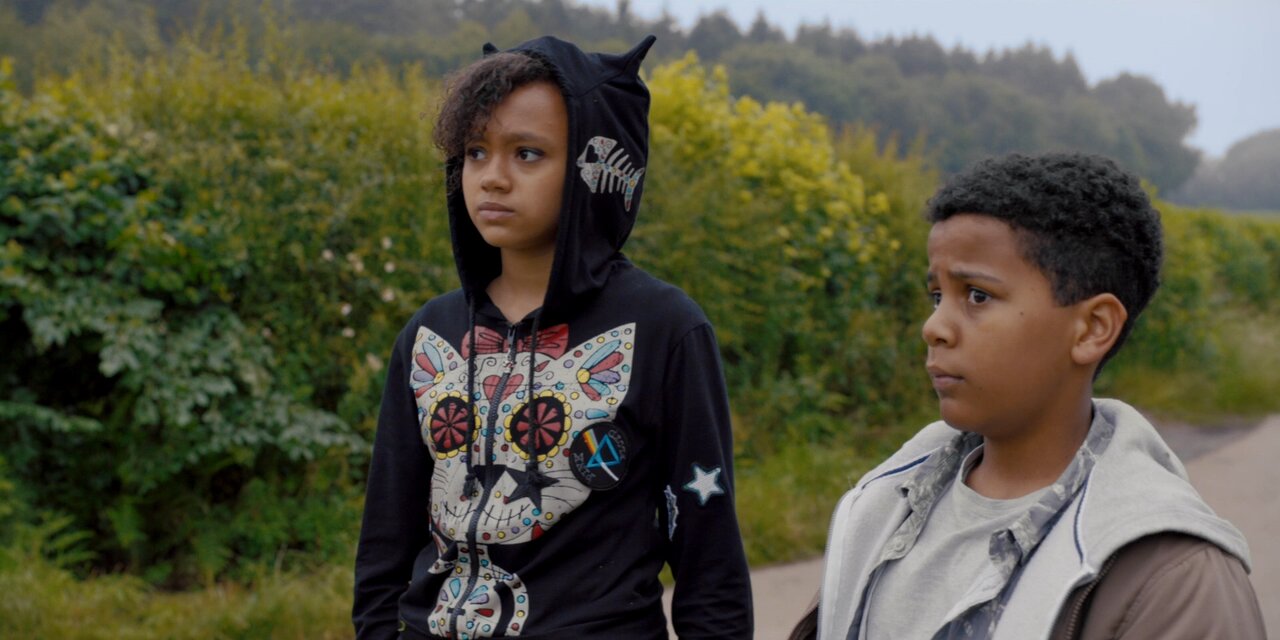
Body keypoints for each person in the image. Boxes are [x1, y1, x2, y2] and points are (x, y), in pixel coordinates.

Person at [352, 35, 753, 639]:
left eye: (528, 154)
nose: (493, 178)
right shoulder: (429, 334)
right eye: (476, 152)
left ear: (591, 168)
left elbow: (709, 558)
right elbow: (384, 544)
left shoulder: (663, 328)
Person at [808, 152, 1266, 639]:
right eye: (937, 296)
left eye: (977, 295)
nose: (934, 327)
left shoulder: (1173, 580)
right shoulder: (880, 510)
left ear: (1092, 328)